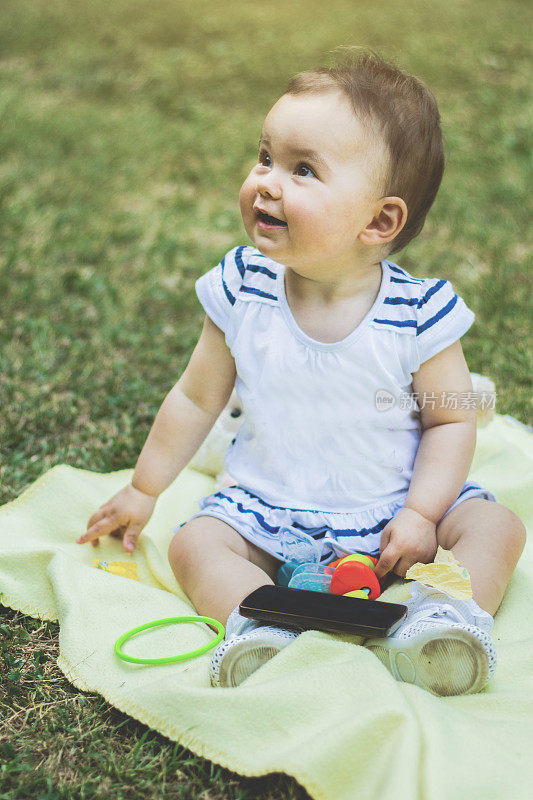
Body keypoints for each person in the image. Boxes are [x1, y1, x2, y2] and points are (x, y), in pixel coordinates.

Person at [77, 49, 526, 696]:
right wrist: (144, 489)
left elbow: (451, 417)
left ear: (379, 221)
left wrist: (423, 512)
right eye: (265, 157)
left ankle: (441, 623)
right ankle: (260, 626)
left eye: (303, 170)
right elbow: (196, 397)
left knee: (494, 525)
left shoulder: (417, 314)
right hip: (270, 508)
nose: (267, 181)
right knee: (195, 543)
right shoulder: (241, 289)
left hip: (395, 510)